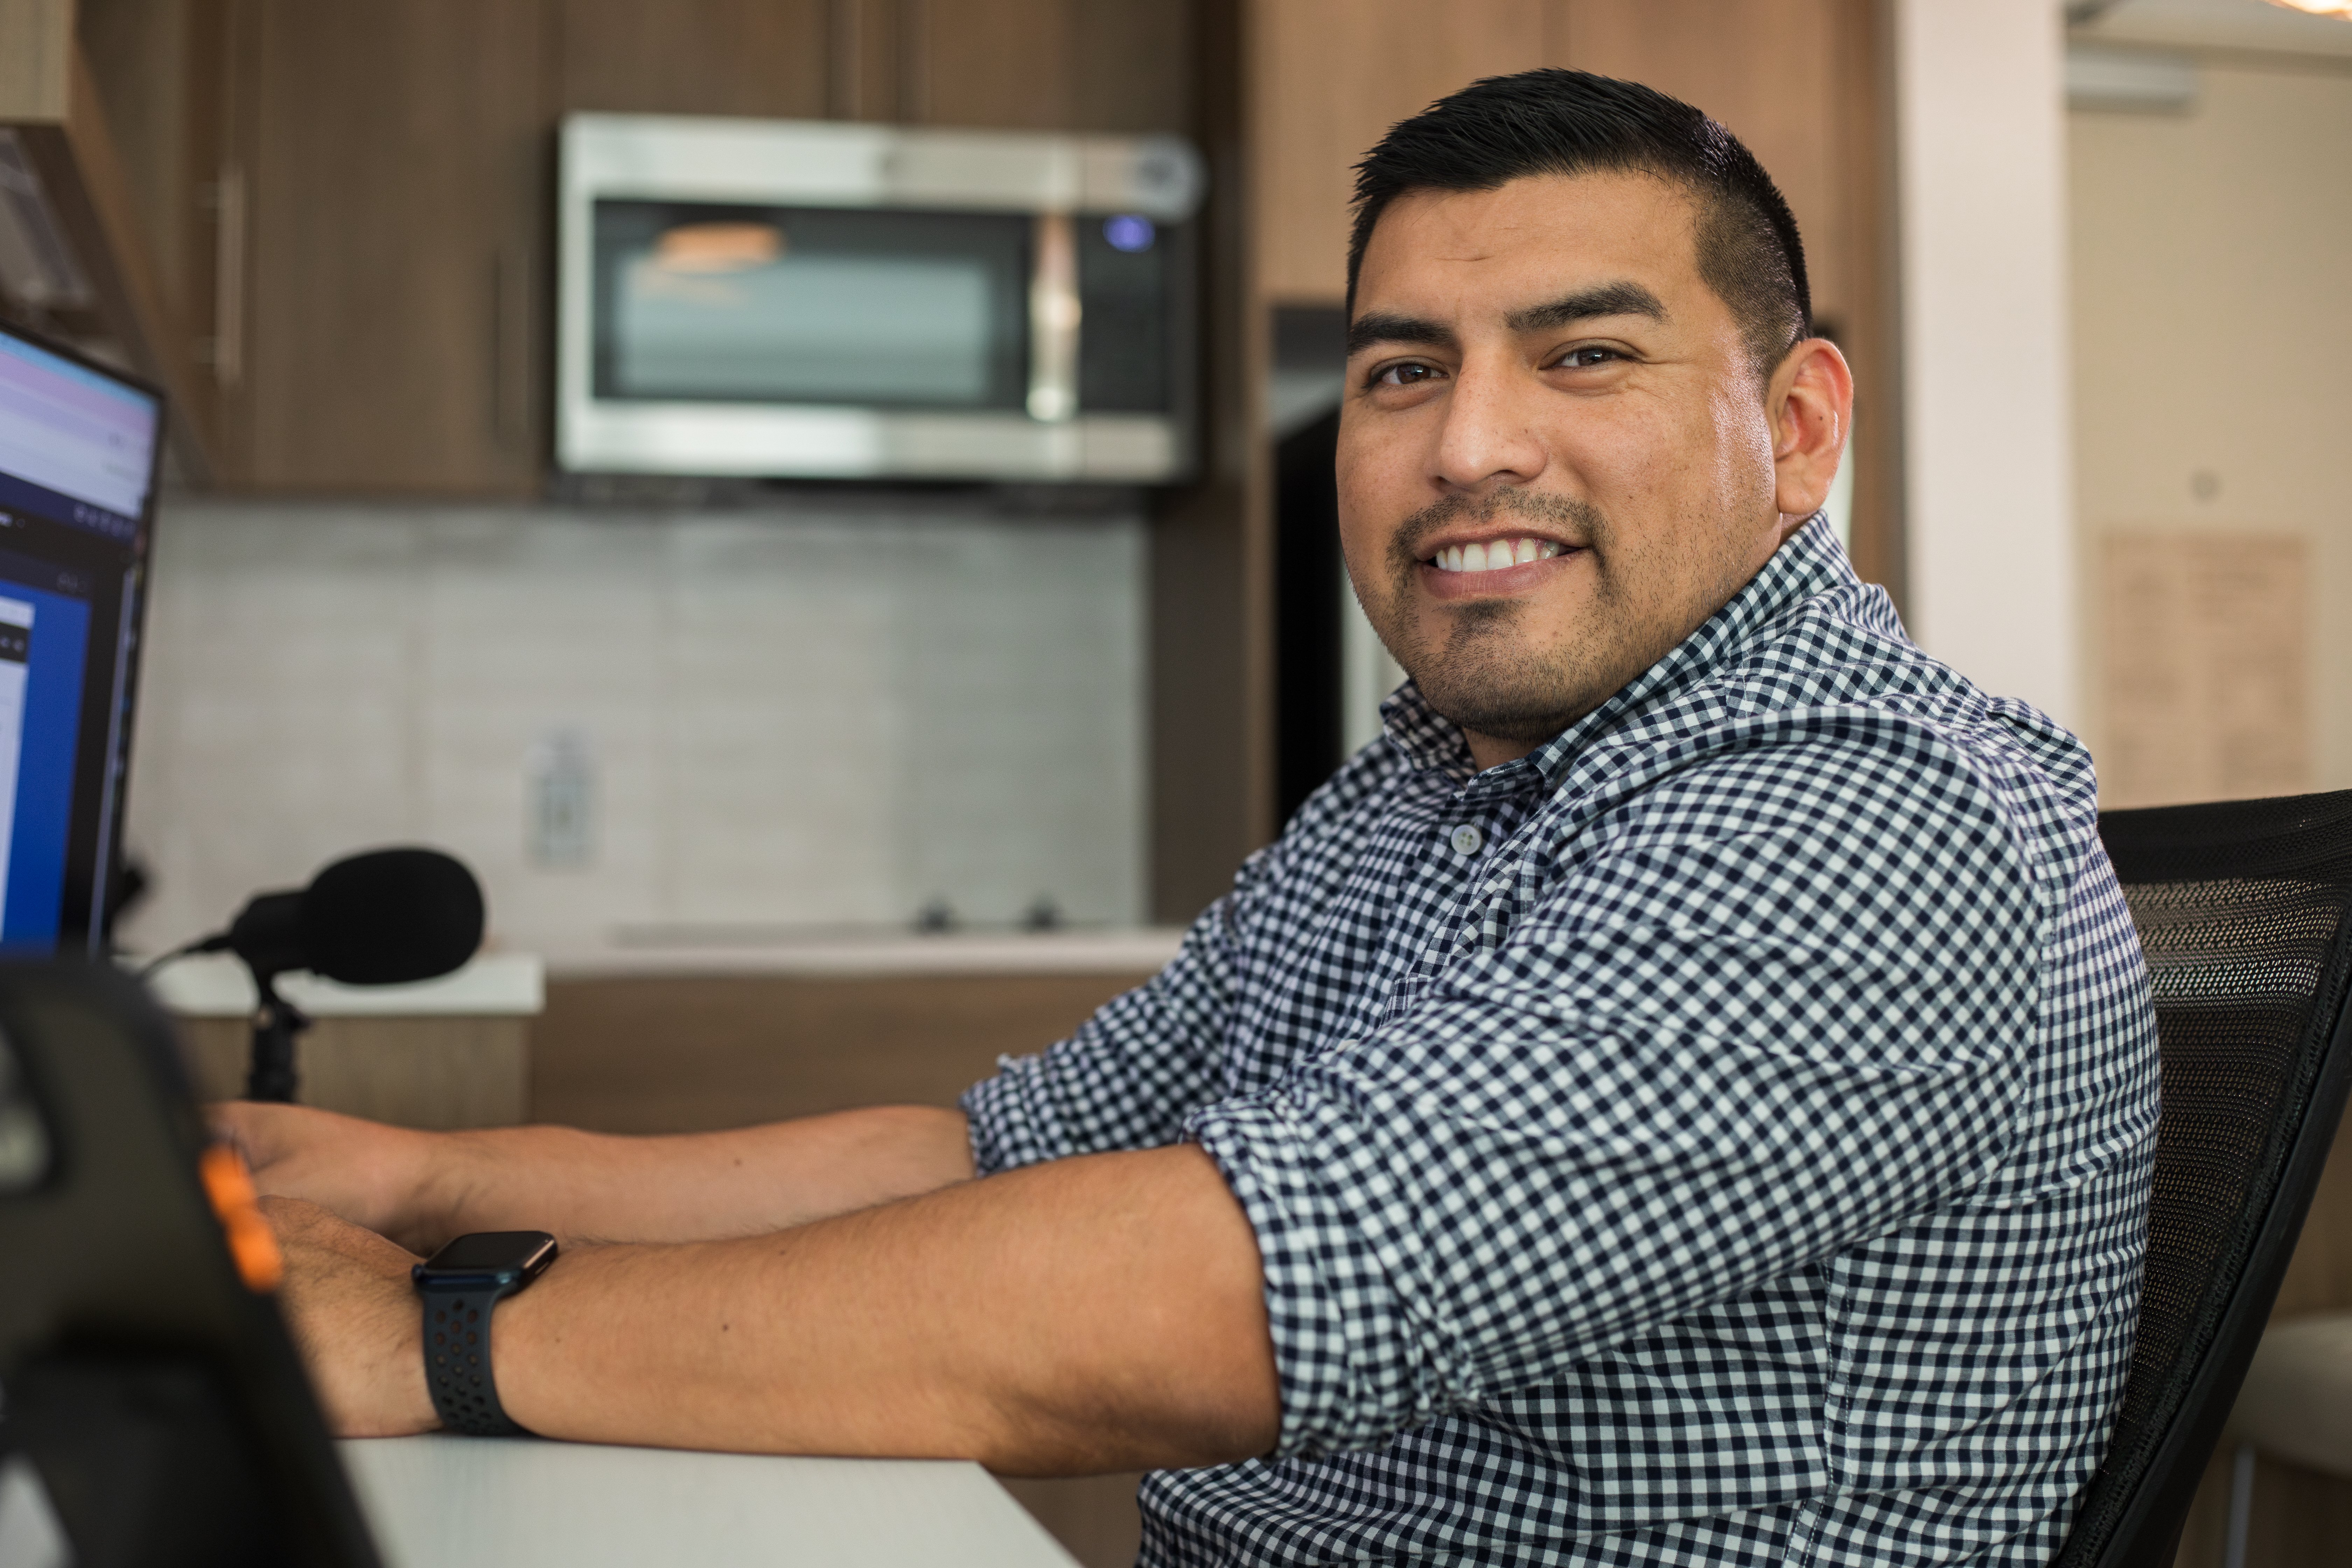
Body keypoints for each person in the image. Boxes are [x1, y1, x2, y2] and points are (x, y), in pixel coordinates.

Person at [224, 69, 2158, 1567]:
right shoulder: (1427, 793)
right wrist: (428, 1183)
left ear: (1799, 425)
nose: (1469, 440)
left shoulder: (1869, 814)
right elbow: (983, 1160)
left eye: (1584, 354)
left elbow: (1239, 1296)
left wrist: (431, 1346)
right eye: (1405, 369)